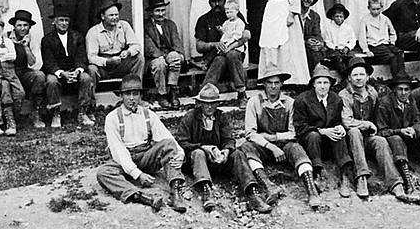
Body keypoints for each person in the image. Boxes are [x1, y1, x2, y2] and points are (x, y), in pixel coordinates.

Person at [96, 75, 189, 213]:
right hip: (123, 160)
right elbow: (119, 152)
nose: (132, 98)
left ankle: (175, 192)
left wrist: (180, 153)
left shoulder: (148, 114)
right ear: (121, 96)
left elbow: (166, 136)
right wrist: (138, 175)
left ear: (140, 96)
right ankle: (142, 197)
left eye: (135, 94)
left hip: (146, 156)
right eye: (128, 94)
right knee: (103, 173)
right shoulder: (112, 118)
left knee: (168, 144)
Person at [240, 71, 327, 212]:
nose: (273, 86)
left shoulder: (290, 103)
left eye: (276, 83)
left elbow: (293, 132)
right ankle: (269, 186)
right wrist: (270, 146)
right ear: (264, 84)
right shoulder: (254, 102)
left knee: (297, 149)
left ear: (281, 84)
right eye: (269, 83)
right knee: (247, 147)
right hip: (263, 146)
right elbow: (250, 133)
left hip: (284, 144)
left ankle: (312, 191)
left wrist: (274, 138)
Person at [176, 83, 269, 213]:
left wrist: (226, 151)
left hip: (217, 160)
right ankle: (206, 191)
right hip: (196, 163)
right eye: (206, 103)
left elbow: (229, 139)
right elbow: (181, 142)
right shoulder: (190, 117)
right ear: (200, 103)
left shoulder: (221, 117)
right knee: (198, 153)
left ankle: (252, 193)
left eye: (213, 103)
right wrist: (203, 147)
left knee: (237, 154)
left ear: (217, 104)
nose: (209, 106)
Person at [337, 59, 410, 200]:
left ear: (367, 76)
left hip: (367, 138)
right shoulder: (344, 95)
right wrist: (367, 124)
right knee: (354, 131)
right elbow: (347, 121)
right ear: (349, 78)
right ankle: (361, 177)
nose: (359, 78)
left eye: (362, 74)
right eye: (355, 75)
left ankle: (395, 182)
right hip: (350, 140)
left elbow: (376, 117)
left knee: (381, 141)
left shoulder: (372, 93)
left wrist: (373, 127)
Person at [372, 76, 420, 202]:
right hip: (395, 142)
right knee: (396, 139)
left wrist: (414, 129)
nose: (403, 93)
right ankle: (408, 182)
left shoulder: (411, 100)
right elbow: (381, 131)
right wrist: (400, 131)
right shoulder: (385, 103)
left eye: (407, 89)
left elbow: (418, 121)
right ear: (394, 90)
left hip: (412, 139)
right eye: (400, 89)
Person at [293, 64, 354, 194]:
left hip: (329, 141)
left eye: (326, 82)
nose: (322, 86)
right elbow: (300, 126)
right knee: (313, 136)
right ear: (313, 84)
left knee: (339, 135)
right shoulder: (302, 100)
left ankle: (345, 176)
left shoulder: (336, 99)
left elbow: (337, 119)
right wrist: (321, 130)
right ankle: (318, 173)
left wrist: (339, 126)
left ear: (330, 84)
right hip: (310, 140)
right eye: (319, 82)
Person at [255, 0, 310, 85]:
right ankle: (270, 74)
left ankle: (291, 77)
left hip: (284, 10)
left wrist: (292, 14)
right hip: (271, 11)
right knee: (270, 43)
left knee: (286, 44)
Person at [40, 9, 95, 128]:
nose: (64, 23)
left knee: (86, 77)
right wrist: (61, 73)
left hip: (74, 70)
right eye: (61, 20)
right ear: (54, 21)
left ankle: (82, 111)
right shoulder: (47, 39)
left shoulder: (77, 37)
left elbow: (81, 57)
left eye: (66, 20)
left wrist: (78, 70)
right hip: (57, 72)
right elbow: (49, 61)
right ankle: (55, 113)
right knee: (51, 81)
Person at [195, 0, 249, 92]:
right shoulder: (203, 19)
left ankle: (241, 93)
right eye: (213, 1)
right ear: (209, 2)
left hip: (235, 55)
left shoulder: (234, 15)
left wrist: (232, 46)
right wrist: (213, 44)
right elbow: (199, 46)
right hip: (214, 56)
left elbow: (247, 35)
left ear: (224, 1)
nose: (216, 4)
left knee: (232, 54)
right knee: (220, 60)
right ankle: (205, 94)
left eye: (219, 1)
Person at [86, 2, 144, 91]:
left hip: (120, 64)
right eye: (111, 15)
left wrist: (128, 52)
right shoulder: (93, 32)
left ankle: (134, 92)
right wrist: (108, 61)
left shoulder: (124, 26)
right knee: (91, 69)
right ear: (102, 16)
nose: (115, 18)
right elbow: (91, 57)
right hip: (103, 67)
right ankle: (92, 101)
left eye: (116, 15)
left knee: (139, 58)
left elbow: (136, 45)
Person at [144, 0, 184, 109]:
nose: (161, 14)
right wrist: (159, 56)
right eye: (157, 11)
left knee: (175, 57)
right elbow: (148, 46)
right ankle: (162, 94)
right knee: (160, 64)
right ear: (151, 12)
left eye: (163, 10)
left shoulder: (170, 24)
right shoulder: (145, 25)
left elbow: (176, 41)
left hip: (168, 54)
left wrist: (180, 54)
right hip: (153, 57)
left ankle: (172, 91)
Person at [8, 9, 47, 129]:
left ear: (30, 27)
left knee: (39, 76)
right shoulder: (6, 37)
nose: (22, 28)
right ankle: (11, 118)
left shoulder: (33, 40)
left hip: (24, 71)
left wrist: (26, 47)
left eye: (25, 25)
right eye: (19, 25)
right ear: (14, 26)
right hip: (9, 71)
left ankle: (35, 112)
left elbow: (35, 65)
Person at [358, 0, 405, 80]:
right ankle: (396, 78)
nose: (376, 12)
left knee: (399, 52)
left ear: (381, 8)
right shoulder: (365, 20)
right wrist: (366, 50)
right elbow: (362, 37)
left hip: (386, 43)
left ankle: (402, 74)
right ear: (368, 8)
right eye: (373, 9)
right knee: (392, 57)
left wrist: (392, 41)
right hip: (375, 45)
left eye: (378, 9)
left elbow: (392, 31)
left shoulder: (385, 19)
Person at [321, 4, 358, 75]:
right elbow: (327, 41)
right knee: (338, 59)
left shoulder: (348, 28)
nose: (339, 18)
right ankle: (345, 76)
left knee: (352, 59)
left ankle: (353, 74)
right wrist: (335, 47)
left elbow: (352, 40)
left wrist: (347, 47)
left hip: (346, 50)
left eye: (341, 16)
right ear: (333, 17)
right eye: (336, 16)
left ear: (344, 18)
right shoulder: (329, 28)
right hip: (334, 50)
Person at [299, 0, 327, 73]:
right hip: (295, 44)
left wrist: (317, 42)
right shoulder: (293, 14)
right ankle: (318, 70)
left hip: (308, 46)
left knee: (315, 48)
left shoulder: (314, 16)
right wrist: (304, 42)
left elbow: (317, 34)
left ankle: (317, 70)